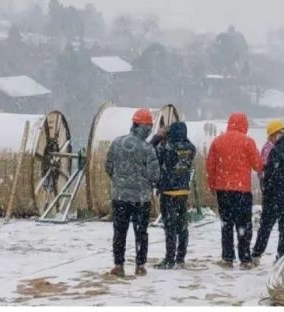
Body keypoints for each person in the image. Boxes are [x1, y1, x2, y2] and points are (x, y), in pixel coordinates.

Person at [104, 108, 160, 277]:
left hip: (120, 197)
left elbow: (108, 166)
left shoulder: (117, 142)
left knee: (119, 232)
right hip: (140, 199)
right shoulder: (147, 148)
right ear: (146, 127)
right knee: (141, 232)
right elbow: (154, 175)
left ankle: (119, 265)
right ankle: (140, 265)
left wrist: (120, 181)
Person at [206, 112, 262, 269]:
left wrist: (212, 184)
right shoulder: (248, 142)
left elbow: (211, 166)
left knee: (226, 224)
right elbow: (258, 165)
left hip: (223, 189)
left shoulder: (218, 141)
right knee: (243, 224)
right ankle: (245, 259)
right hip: (242, 189)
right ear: (245, 125)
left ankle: (227, 258)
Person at [252, 120, 284, 263]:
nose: (270, 139)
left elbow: (270, 177)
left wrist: (266, 193)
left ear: (276, 134)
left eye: (271, 136)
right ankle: (281, 257)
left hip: (274, 196)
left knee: (266, 226)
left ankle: (256, 254)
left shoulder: (275, 151)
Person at [153, 121, 196, 269]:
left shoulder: (166, 147)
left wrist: (159, 136)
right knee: (182, 226)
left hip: (168, 192)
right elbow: (186, 143)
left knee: (170, 227)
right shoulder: (191, 148)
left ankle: (169, 259)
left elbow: (149, 150)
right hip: (183, 192)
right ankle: (180, 257)